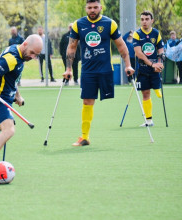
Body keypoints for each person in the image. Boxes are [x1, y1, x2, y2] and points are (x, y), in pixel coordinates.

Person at [62, 0, 135, 146]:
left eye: (95, 7)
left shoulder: (110, 23)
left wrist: (128, 66)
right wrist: (68, 68)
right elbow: (72, 47)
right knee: (87, 101)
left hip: (105, 70)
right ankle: (84, 137)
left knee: (107, 101)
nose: (92, 10)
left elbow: (121, 45)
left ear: (101, 7)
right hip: (88, 71)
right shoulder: (78, 24)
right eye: (90, 8)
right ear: (86, 9)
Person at [0, 34, 43, 173]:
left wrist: (17, 96)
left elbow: (11, 78)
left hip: (5, 99)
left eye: (36, 55)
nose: (32, 57)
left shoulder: (18, 53)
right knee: (9, 130)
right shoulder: (12, 58)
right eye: (32, 53)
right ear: (25, 44)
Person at [132, 10, 165, 127]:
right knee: (145, 94)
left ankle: (157, 87)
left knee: (157, 92)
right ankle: (149, 120)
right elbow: (138, 53)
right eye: (142, 19)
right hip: (142, 69)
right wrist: (152, 64)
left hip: (155, 68)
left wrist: (160, 63)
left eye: (146, 19)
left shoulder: (156, 33)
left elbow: (160, 50)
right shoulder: (137, 34)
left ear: (152, 20)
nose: (144, 22)